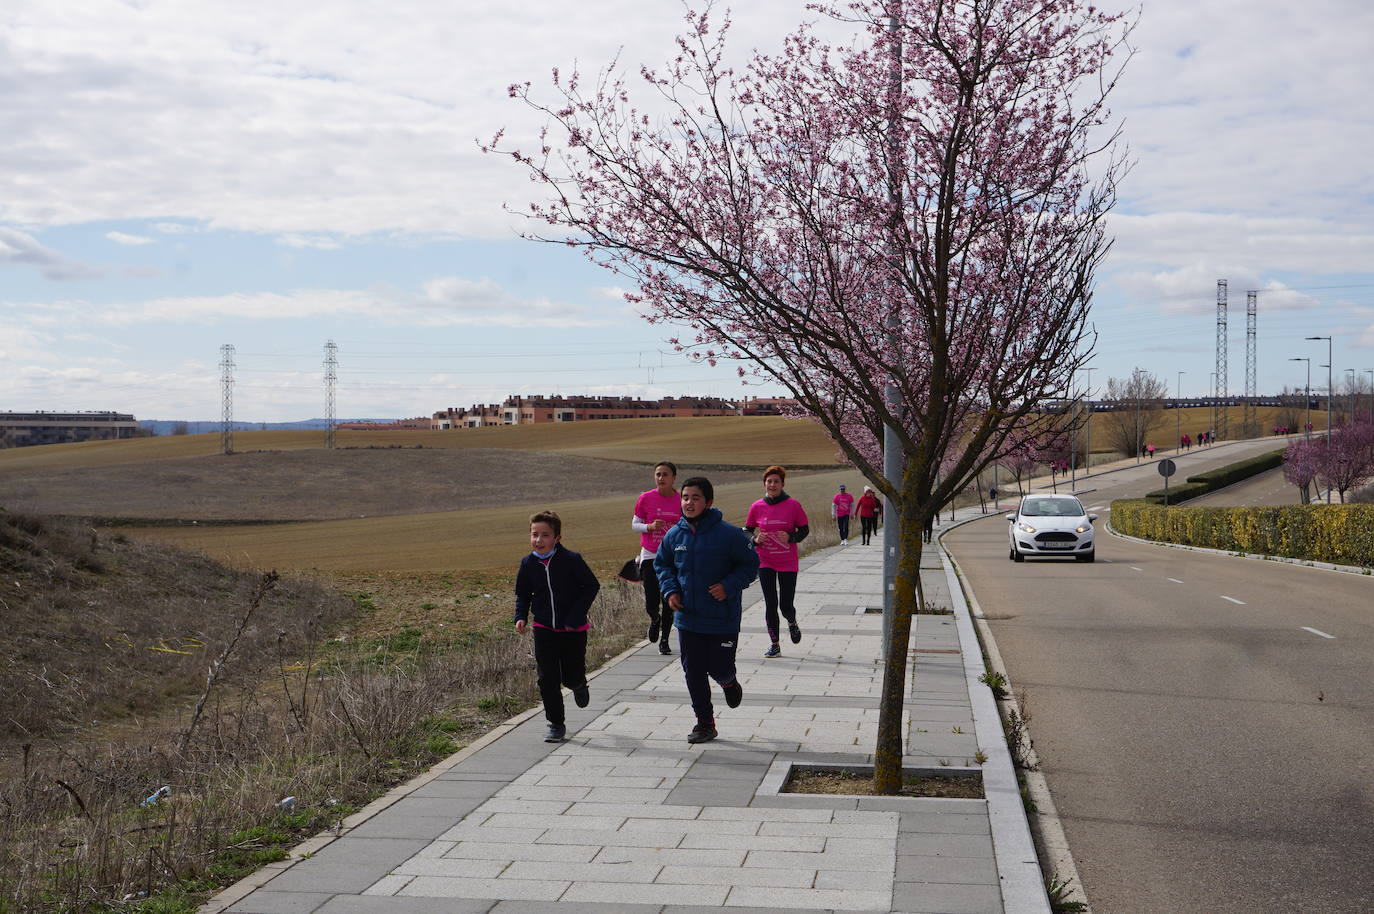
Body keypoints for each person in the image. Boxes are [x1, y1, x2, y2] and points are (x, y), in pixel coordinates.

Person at [655, 476, 759, 744]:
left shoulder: (730, 535)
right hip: (688, 618)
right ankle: (705, 722)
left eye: (696, 497)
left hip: (722, 618)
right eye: (685, 497)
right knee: (693, 670)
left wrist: (728, 585)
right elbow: (662, 565)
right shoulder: (673, 535)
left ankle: (729, 682)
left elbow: (750, 565)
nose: (689, 503)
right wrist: (670, 591)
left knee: (720, 667)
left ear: (709, 502)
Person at [514, 510, 601, 743]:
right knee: (547, 678)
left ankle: (578, 684)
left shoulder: (571, 560)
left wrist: (575, 616)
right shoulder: (528, 563)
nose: (538, 540)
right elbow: (522, 593)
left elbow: (591, 586)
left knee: (570, 675)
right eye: (534, 535)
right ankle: (556, 723)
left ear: (557, 538)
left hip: (572, 630)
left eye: (545, 535)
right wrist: (520, 616)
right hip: (543, 628)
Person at [745, 466, 809, 658]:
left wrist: (790, 537)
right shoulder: (757, 506)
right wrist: (755, 540)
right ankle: (775, 644)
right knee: (770, 603)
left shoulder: (793, 505)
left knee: (785, 605)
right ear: (764, 483)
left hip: (788, 562)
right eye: (769, 481)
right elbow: (746, 530)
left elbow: (804, 530)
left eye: (776, 482)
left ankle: (791, 621)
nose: (772, 485)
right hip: (765, 561)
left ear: (782, 484)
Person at [631, 460, 680, 655]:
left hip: (673, 556)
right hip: (650, 553)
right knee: (651, 600)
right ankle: (654, 619)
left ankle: (665, 640)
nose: (661, 478)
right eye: (658, 474)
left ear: (673, 478)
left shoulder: (681, 500)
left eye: (665, 474)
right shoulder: (645, 498)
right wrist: (649, 527)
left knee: (668, 597)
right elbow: (635, 524)